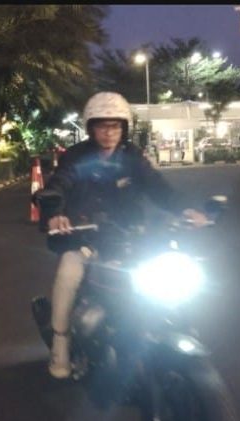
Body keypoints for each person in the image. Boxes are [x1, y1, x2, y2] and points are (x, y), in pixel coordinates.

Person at [34, 91, 209, 379]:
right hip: (86, 236)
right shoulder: (76, 157)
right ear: (91, 128)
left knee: (173, 268)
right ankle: (60, 345)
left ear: (124, 128)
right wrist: (56, 212)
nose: (109, 132)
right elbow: (60, 184)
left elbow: (158, 187)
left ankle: (179, 327)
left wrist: (185, 210)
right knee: (69, 271)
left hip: (131, 237)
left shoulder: (132, 157)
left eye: (115, 125)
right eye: (102, 126)